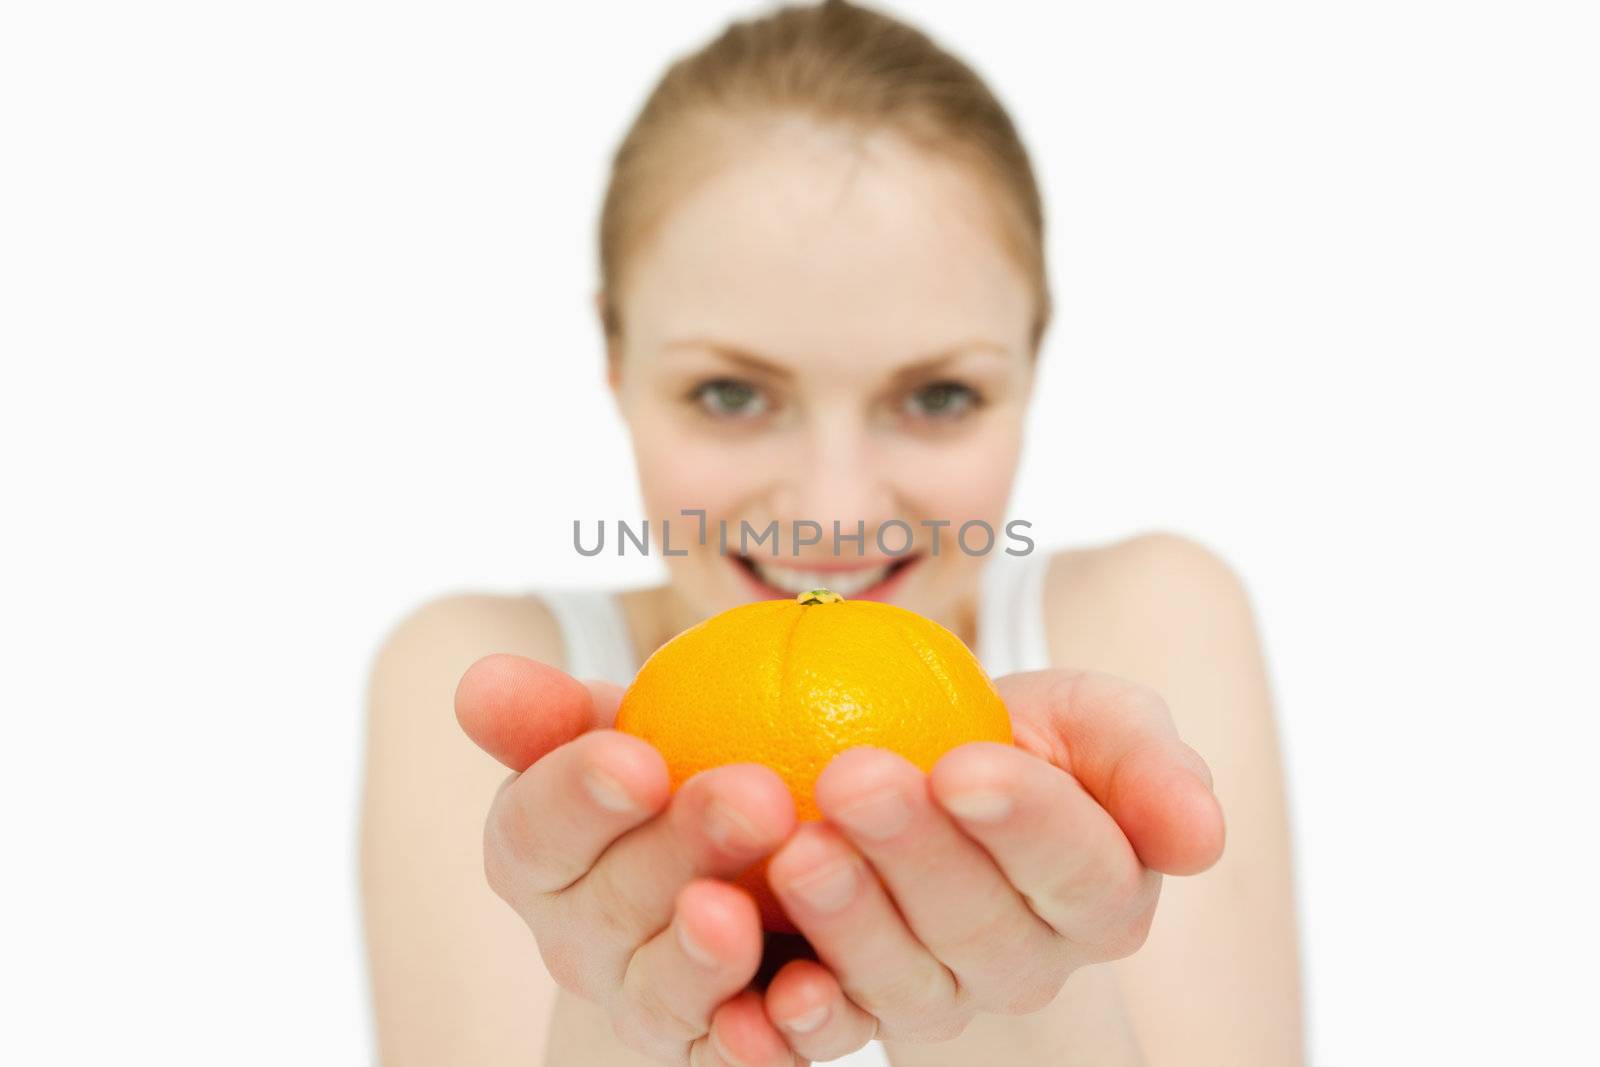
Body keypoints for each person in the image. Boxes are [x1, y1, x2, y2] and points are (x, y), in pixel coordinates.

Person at [359, 2, 1302, 1063]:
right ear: (616, 360)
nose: (836, 508)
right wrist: (623, 1022)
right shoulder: (481, 683)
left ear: (1031, 367)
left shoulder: (1149, 619)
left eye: (939, 395)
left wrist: (1013, 997)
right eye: (729, 392)